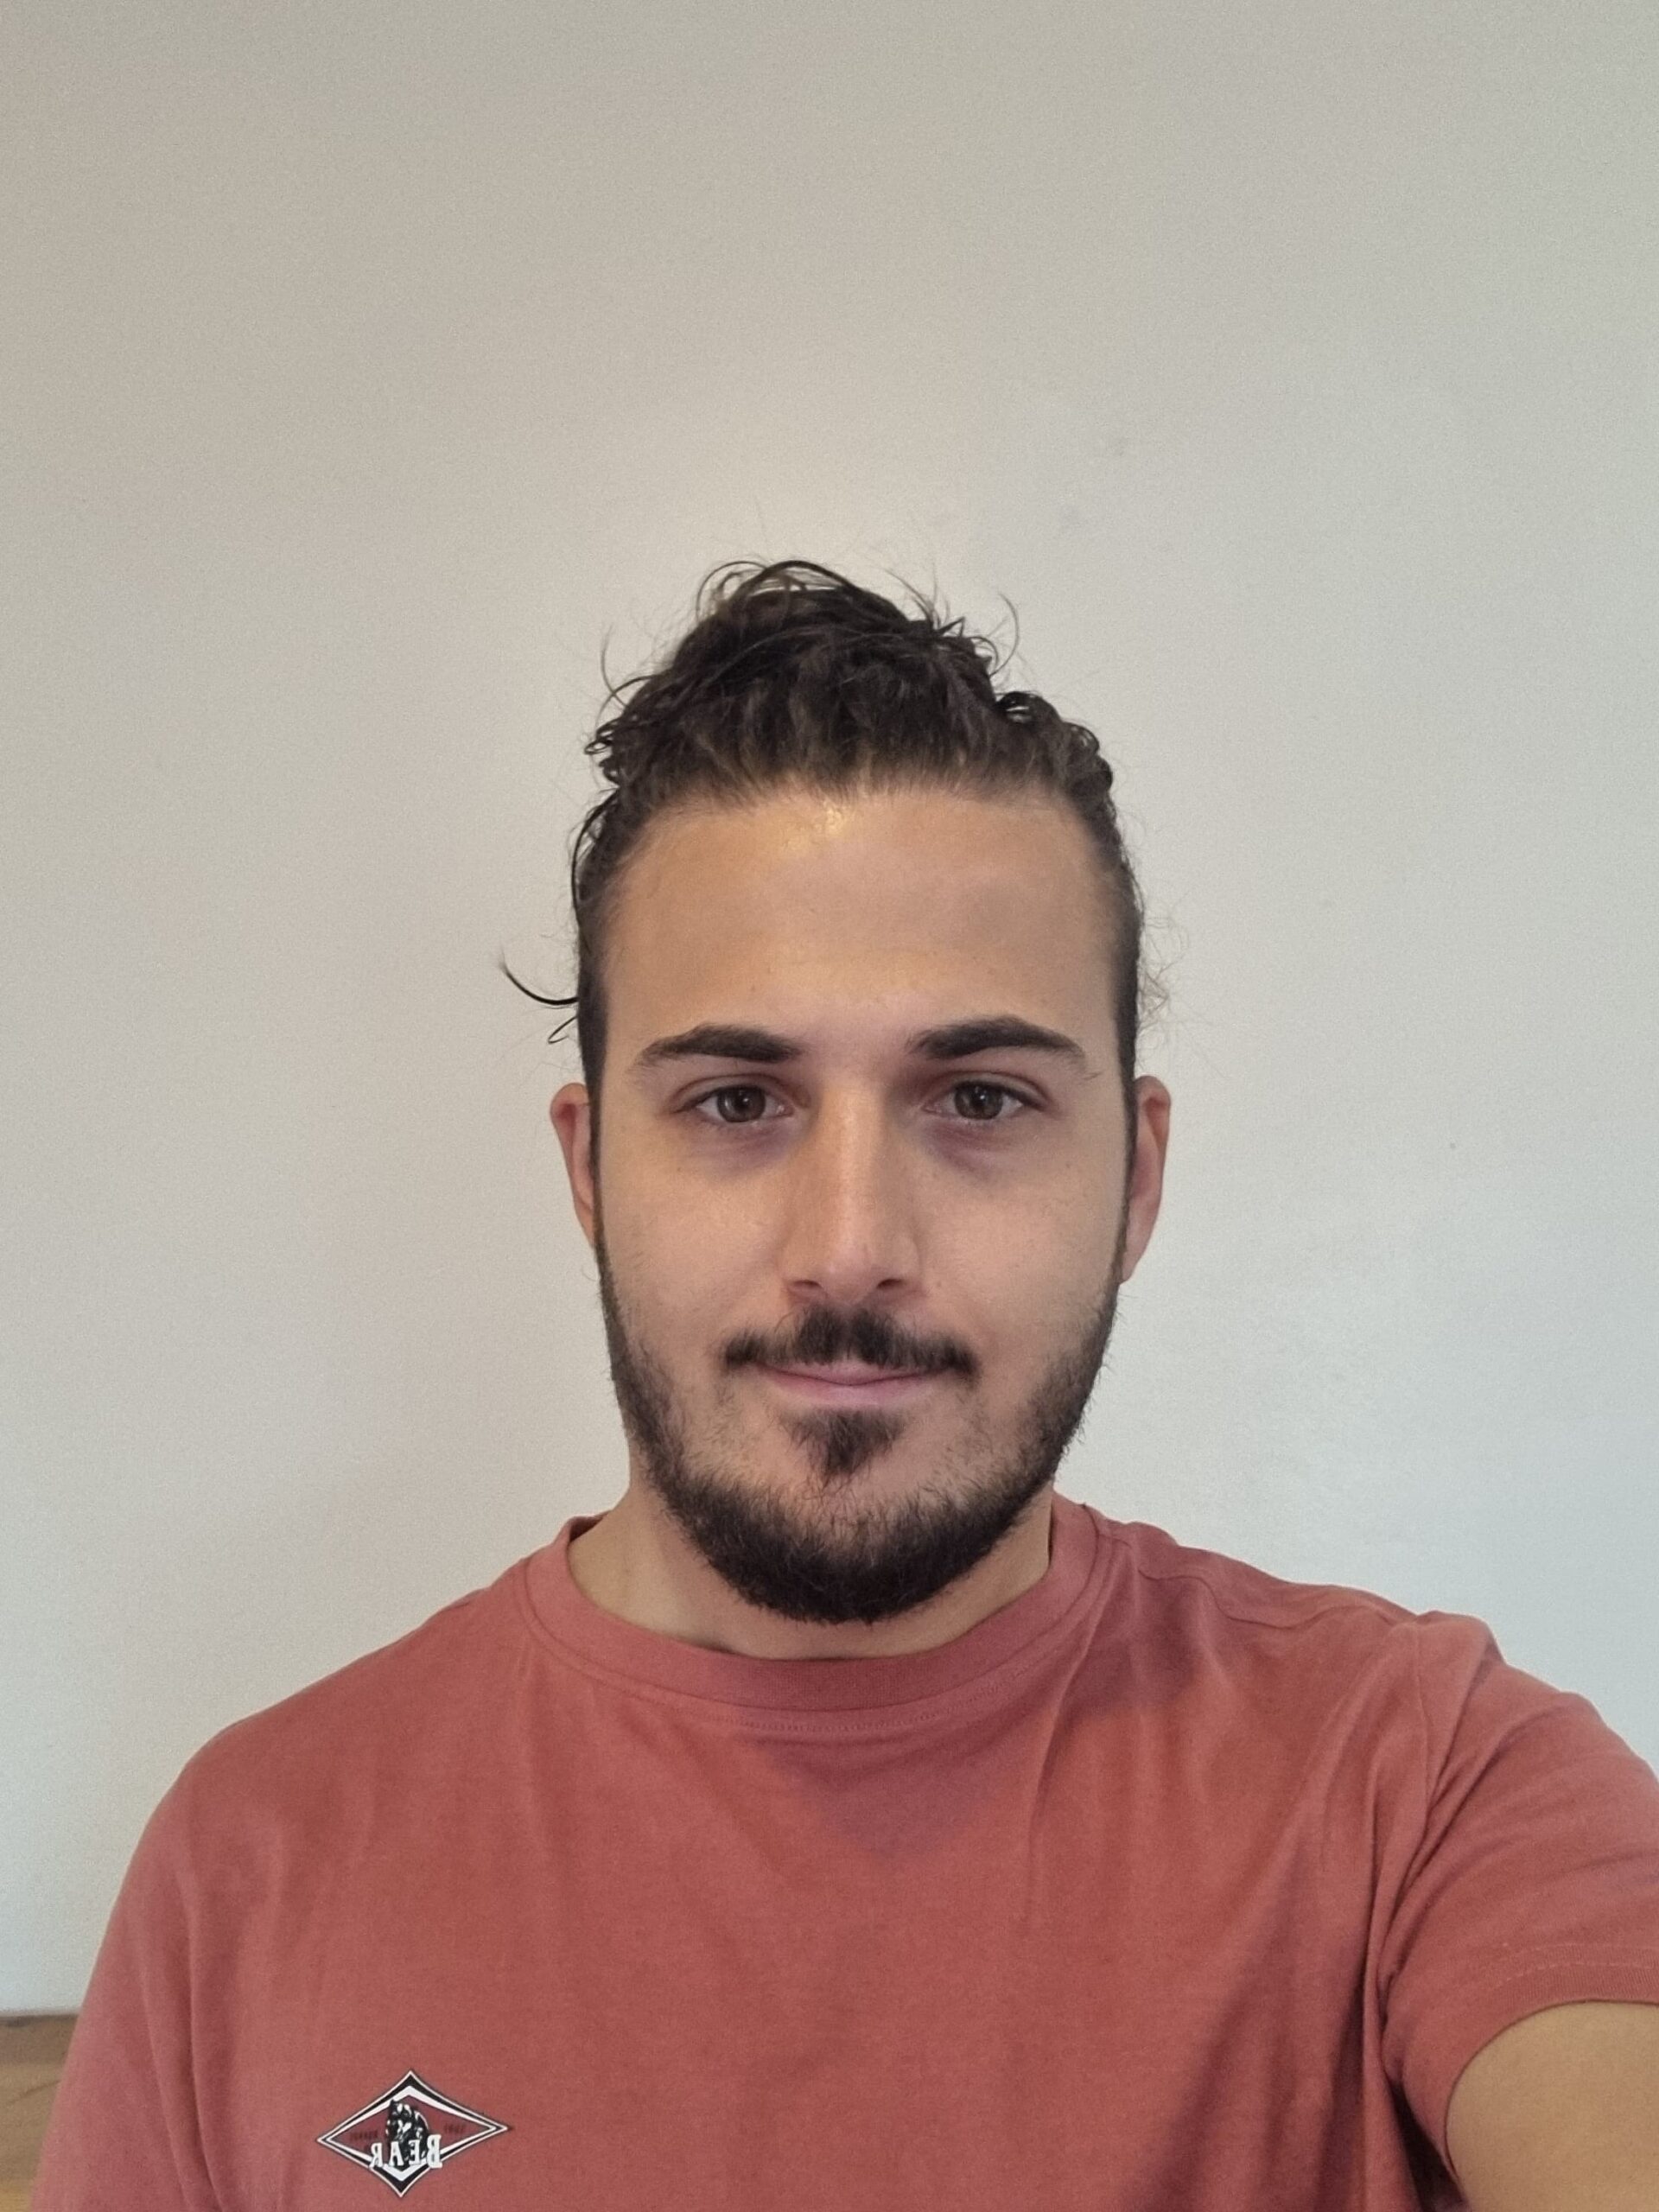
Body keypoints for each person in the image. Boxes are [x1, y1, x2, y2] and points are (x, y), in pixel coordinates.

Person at [34, 560, 1659, 2209]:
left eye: (981, 1098)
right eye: (738, 1103)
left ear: (1138, 1177)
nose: (851, 1247)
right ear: (592, 1174)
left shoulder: (1427, 1787)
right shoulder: (253, 1864)